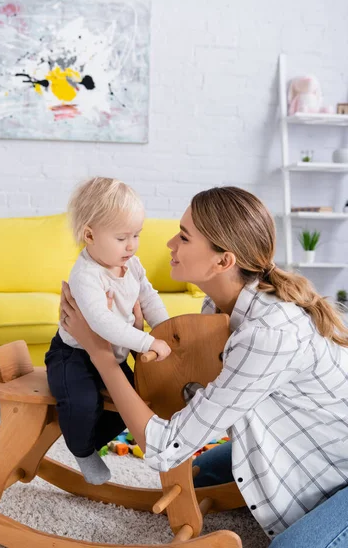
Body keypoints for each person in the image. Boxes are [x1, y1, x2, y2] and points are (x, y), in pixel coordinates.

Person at [59, 185, 348, 544]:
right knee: (193, 479)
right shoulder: (218, 309)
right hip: (298, 440)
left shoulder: (268, 334)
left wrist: (101, 355)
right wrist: (134, 338)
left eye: (183, 237)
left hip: (339, 467)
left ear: (223, 261)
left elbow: (166, 446)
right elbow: (194, 397)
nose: (169, 244)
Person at [45, 177, 170, 485]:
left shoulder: (132, 265)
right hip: (74, 355)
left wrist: (165, 329)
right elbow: (100, 322)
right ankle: (83, 450)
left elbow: (148, 297)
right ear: (90, 235)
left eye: (136, 235)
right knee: (83, 403)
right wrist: (146, 341)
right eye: (122, 238)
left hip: (110, 356)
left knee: (132, 402)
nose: (132, 245)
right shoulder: (87, 274)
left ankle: (87, 439)